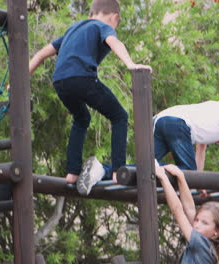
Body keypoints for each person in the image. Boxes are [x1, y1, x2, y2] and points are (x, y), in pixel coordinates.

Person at [27, 0, 152, 194]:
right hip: (82, 78)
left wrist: (17, 81)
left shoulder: (72, 30)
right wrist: (131, 64)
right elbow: (113, 41)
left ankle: (72, 172)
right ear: (115, 18)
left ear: (90, 14)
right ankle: (118, 171)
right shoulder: (102, 26)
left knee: (82, 118)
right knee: (119, 116)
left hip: (60, 82)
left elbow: (41, 54)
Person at [155, 163, 219, 264]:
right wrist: (181, 177)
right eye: (197, 220)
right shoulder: (211, 246)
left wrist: (163, 178)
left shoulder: (201, 244)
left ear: (217, 231)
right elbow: (189, 209)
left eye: (205, 223)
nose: (197, 225)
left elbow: (178, 211)